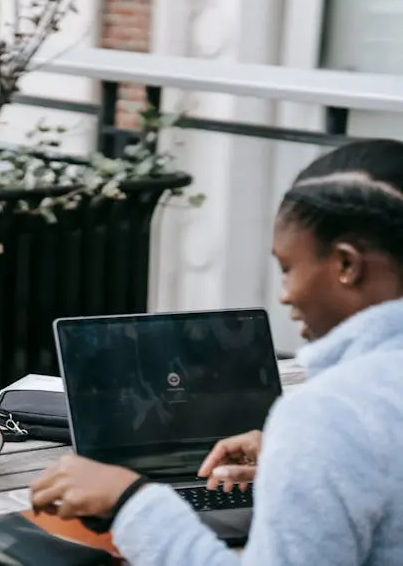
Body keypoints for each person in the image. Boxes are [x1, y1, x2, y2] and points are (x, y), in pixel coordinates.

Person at [30, 138, 403, 565]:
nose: (284, 295)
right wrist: (298, 470)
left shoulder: (329, 416)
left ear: (346, 265)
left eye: (288, 269)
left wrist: (129, 500)